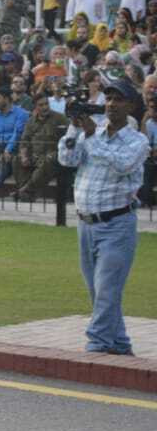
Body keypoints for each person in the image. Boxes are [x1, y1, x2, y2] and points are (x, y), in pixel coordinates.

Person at [56, 79, 148, 355]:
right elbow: (67, 160)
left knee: (107, 290)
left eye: (118, 99)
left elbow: (122, 165)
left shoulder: (138, 141)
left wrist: (92, 135)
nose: (111, 104)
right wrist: (74, 126)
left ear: (131, 106)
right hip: (86, 224)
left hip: (117, 224)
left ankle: (97, 346)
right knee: (99, 292)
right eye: (108, 99)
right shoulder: (89, 133)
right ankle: (120, 344)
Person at [12, 93, 68, 201]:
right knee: (16, 159)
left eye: (46, 104)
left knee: (49, 159)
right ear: (35, 107)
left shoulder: (60, 118)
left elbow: (70, 137)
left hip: (53, 156)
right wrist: (24, 156)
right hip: (35, 156)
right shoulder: (31, 121)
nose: (45, 107)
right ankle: (27, 194)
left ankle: (25, 190)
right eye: (41, 105)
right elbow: (25, 140)